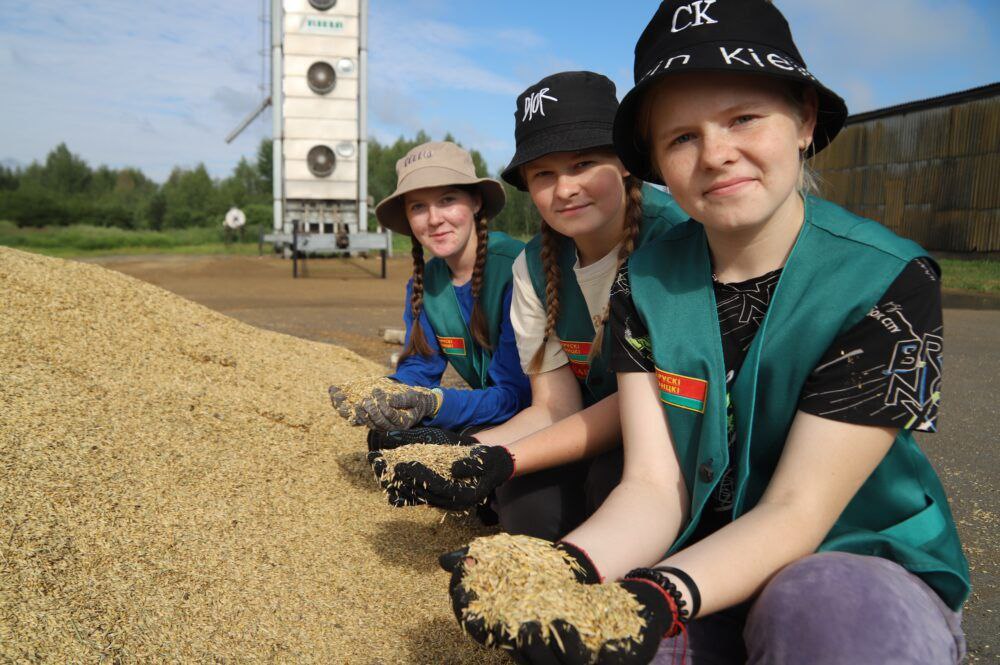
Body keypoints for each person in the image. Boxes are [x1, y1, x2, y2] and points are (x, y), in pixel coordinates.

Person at [440, 2, 969, 664]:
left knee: (819, 607)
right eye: (683, 137)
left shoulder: (885, 281)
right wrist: (563, 568)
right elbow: (655, 487)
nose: (717, 154)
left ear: (804, 119)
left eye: (744, 117)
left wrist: (658, 592)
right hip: (701, 548)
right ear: (658, 159)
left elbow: (800, 511)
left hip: (851, 559)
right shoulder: (649, 282)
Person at [374, 72, 689, 540]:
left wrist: (490, 452)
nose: (564, 189)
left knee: (604, 483)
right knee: (524, 506)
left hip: (677, 438)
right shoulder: (535, 267)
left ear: (625, 160)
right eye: (544, 173)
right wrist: (459, 452)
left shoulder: (676, 243)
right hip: (583, 428)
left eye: (583, 163)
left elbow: (649, 400)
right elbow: (554, 406)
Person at [329, 142, 530, 447]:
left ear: (476, 202)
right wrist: (388, 392)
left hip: (538, 415)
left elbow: (515, 395)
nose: (434, 219)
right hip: (493, 411)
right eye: (418, 207)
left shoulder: (516, 270)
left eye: (447, 200)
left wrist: (432, 404)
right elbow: (421, 367)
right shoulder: (424, 284)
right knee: (386, 439)